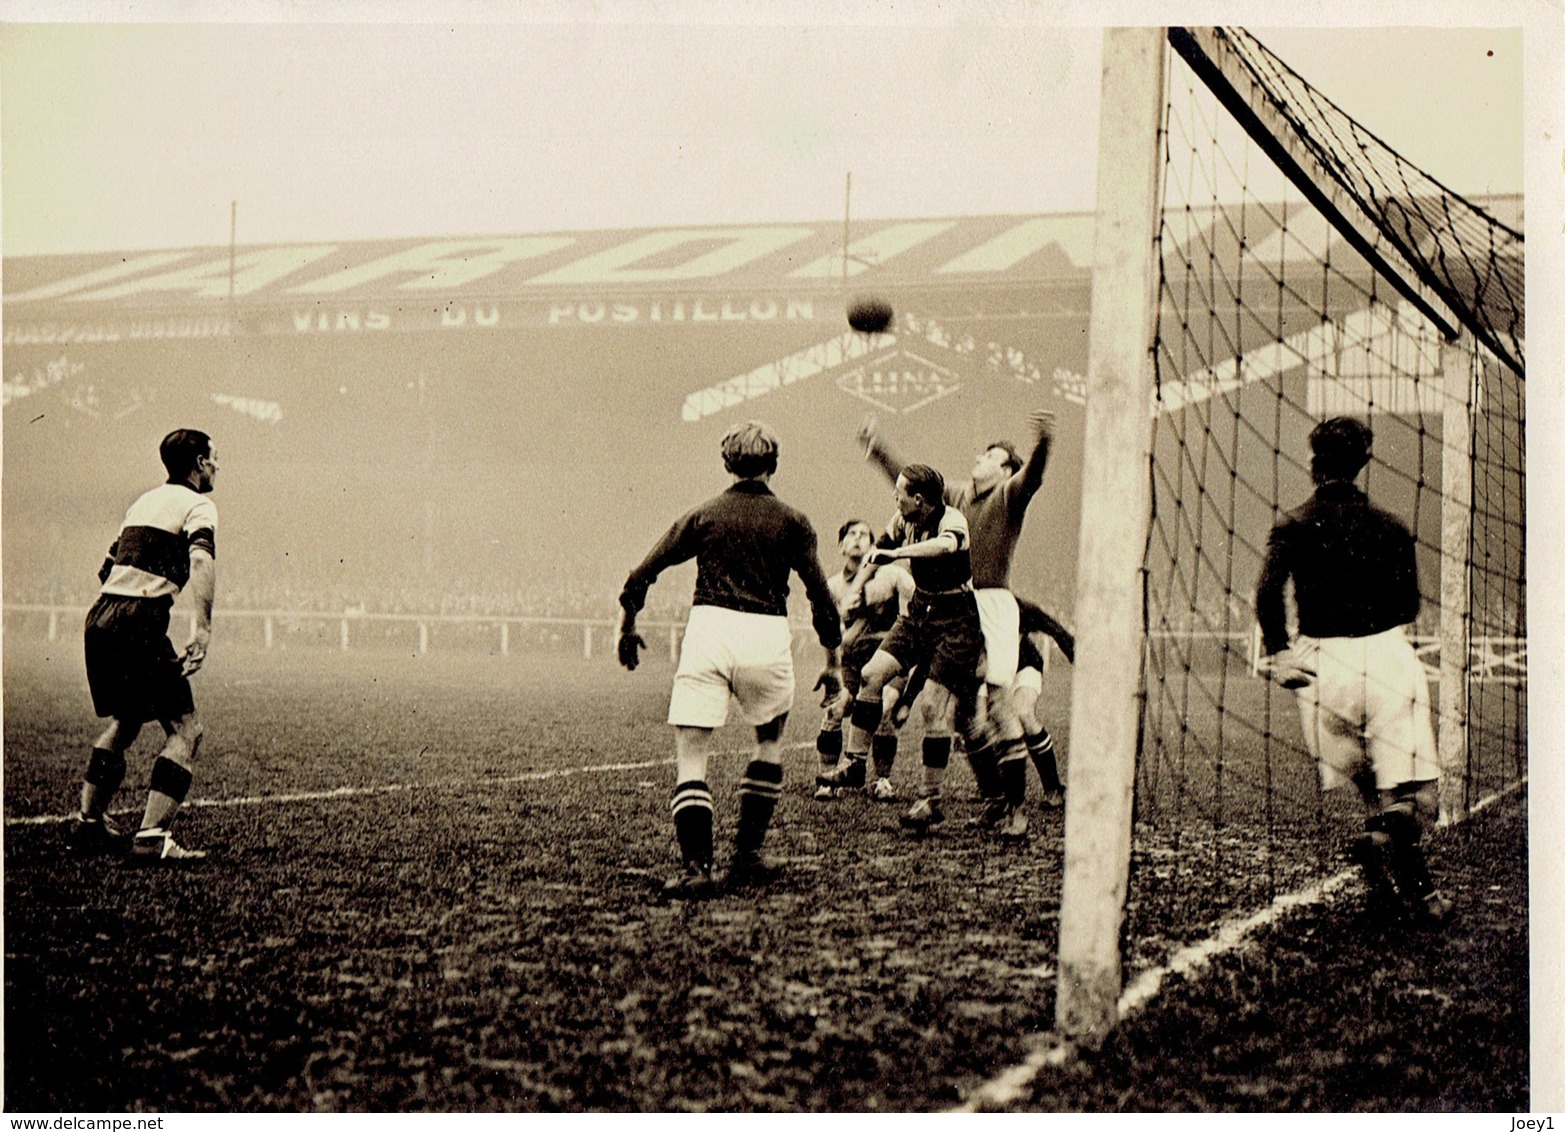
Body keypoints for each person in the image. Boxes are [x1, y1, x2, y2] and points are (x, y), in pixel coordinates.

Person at [617, 421, 842, 898]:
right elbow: (822, 599)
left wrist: (627, 625)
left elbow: (643, 572)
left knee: (692, 755)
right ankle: (748, 856)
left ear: (726, 463)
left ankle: (698, 867)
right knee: (768, 743)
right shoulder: (793, 521)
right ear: (773, 464)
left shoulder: (705, 515)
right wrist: (833, 661)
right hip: (766, 633)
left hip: (709, 630)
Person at [1255, 416, 1453, 926]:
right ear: (1364, 462)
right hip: (1386, 657)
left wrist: (1278, 651)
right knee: (1417, 799)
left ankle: (1417, 894)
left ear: (1313, 462)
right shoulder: (1392, 526)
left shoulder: (1292, 522)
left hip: (1321, 669)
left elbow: (1266, 590)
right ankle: (1388, 842)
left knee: (1369, 784)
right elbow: (1408, 606)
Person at [856, 410, 1054, 839]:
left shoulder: (1008, 494)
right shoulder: (957, 496)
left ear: (1005, 470)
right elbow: (913, 482)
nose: (979, 458)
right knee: (964, 715)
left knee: (1000, 704)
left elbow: (1033, 476)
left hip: (994, 605)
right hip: (957, 610)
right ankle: (994, 802)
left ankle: (1018, 811)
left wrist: (1042, 443)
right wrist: (878, 450)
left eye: (990, 456)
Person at [68, 428, 220, 864]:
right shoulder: (199, 504)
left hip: (101, 616)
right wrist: (202, 628)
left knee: (127, 721)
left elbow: (107, 567)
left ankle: (89, 824)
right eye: (212, 458)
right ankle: (152, 836)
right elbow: (201, 559)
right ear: (197, 464)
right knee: (186, 729)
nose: (216, 466)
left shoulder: (143, 502)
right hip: (139, 619)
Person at [825, 463, 988, 833]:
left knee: (932, 706)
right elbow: (877, 552)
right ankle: (854, 763)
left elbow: (946, 546)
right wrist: (855, 588)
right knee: (871, 675)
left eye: (900, 493)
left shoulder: (953, 521)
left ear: (920, 499)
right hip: (919, 613)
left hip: (956, 619)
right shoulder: (901, 519)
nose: (894, 498)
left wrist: (901, 554)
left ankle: (931, 800)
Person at [814, 518, 916, 802]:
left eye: (865, 535)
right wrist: (831, 667)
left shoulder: (893, 577)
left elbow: (913, 612)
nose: (858, 538)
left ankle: (882, 780)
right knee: (836, 709)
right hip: (851, 661)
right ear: (841, 546)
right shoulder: (832, 587)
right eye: (851, 534)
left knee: (884, 708)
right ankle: (827, 778)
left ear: (873, 547)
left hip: (889, 657)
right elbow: (830, 633)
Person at [1011, 595, 1075, 808]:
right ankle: (995, 794)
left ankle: (1053, 788)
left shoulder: (1015, 606)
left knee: (1024, 714)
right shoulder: (964, 608)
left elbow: (1053, 627)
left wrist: (1074, 655)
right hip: (990, 675)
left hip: (1024, 666)